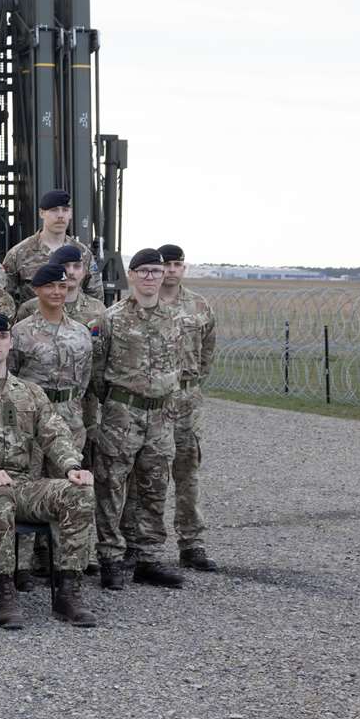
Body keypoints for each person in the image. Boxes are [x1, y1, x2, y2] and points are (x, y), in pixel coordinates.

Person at [0, 313, 99, 627]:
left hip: (25, 483)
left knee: (78, 493)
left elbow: (54, 433)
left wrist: (72, 466)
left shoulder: (30, 392)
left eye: (2, 337)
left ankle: (68, 591)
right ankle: (5, 590)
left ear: (11, 342)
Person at [92, 248, 184, 590]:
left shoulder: (176, 318)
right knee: (111, 486)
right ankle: (110, 560)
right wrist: (116, 403)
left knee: (155, 486)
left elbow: (191, 363)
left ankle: (148, 558)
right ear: (130, 276)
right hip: (123, 412)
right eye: (142, 271)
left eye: (155, 271)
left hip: (161, 414)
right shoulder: (111, 318)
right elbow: (97, 371)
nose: (149, 277)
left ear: (164, 277)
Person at [7, 263, 96, 591]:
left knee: (68, 487)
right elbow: (11, 377)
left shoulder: (81, 332)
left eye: (63, 286)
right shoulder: (21, 332)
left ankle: (66, 565)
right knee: (28, 485)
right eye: (50, 287)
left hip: (70, 416)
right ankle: (21, 566)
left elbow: (85, 379)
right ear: (37, 290)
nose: (58, 292)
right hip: (31, 419)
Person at [159, 243, 218, 572]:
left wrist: (192, 384)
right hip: (154, 399)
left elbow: (208, 350)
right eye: (165, 264)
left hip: (186, 397)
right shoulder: (145, 303)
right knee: (148, 474)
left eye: (176, 264)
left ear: (184, 268)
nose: (170, 270)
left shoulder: (199, 306)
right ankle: (140, 544)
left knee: (187, 471)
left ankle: (191, 543)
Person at [1, 189, 103, 304]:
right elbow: (5, 299)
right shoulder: (18, 254)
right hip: (35, 320)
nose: (60, 215)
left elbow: (96, 296)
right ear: (41, 213)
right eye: (54, 210)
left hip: (76, 320)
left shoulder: (83, 253)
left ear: (70, 214)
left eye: (65, 210)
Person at [15, 244, 106, 327]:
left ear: (84, 272)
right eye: (65, 265)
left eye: (77, 266)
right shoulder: (30, 308)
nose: (71, 272)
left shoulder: (97, 309)